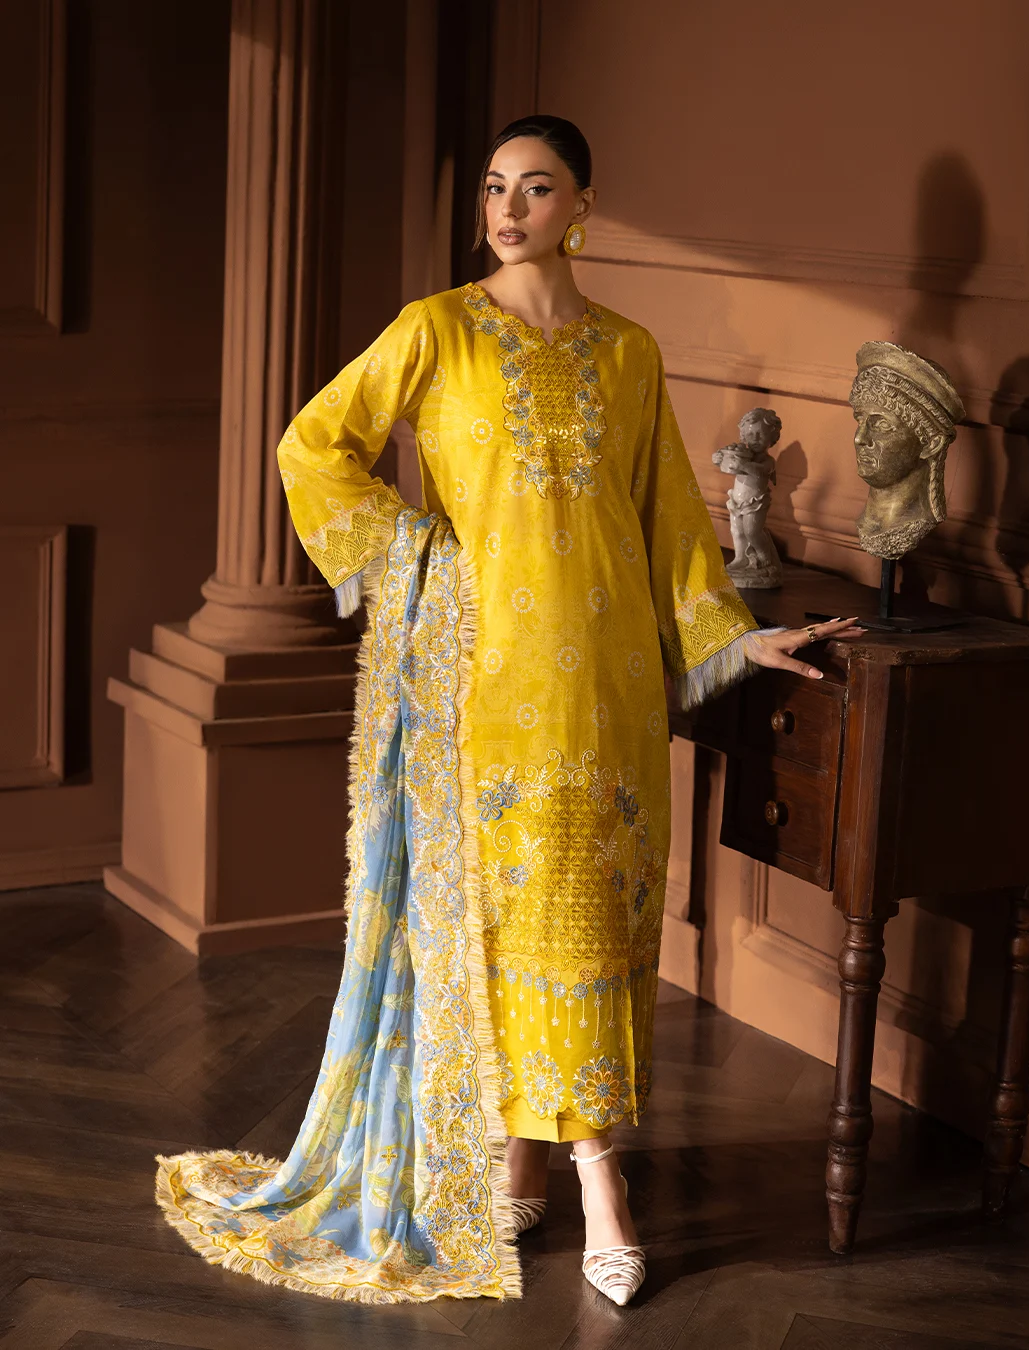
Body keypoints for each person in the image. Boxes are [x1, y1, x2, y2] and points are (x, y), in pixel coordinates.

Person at [156, 115, 862, 1308]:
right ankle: (603, 1184)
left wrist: (737, 638)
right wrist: (420, 557)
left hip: (612, 689)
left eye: (536, 188)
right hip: (486, 687)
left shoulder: (629, 353)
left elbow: (670, 524)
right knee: (519, 927)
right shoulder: (435, 330)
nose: (508, 209)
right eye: (495, 188)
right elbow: (313, 448)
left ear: (583, 205)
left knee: (594, 926)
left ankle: (528, 1157)